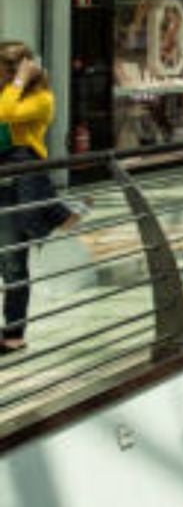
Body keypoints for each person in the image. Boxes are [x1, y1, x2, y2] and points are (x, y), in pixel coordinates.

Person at [0, 43, 81, 353]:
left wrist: (19, 80)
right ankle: (58, 212)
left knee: (12, 263)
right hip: (12, 182)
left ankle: (14, 333)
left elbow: (5, 113)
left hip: (16, 184)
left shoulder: (42, 99)